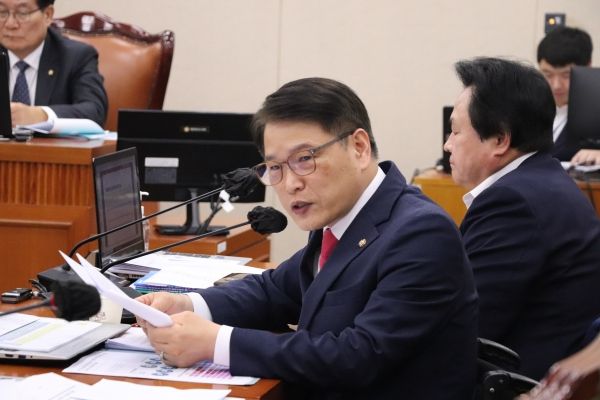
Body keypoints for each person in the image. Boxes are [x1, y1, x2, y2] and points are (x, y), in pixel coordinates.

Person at [137, 77, 479, 399]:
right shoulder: (343, 218)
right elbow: (275, 291)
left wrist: (218, 343)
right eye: (275, 167)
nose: (290, 184)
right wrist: (190, 304)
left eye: (304, 160)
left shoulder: (420, 233)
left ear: (359, 147)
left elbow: (359, 356)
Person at [443, 57, 600, 380]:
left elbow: (463, 322)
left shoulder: (513, 203)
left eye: (455, 131)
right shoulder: (543, 180)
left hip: (519, 384)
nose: (447, 145)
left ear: (500, 140)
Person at [0, 0, 107, 127]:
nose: (10, 24)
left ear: (47, 15)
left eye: (22, 13)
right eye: (2, 12)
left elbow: (94, 110)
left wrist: (41, 115)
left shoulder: (75, 56)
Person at [537, 26, 599, 164]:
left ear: (588, 67)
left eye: (567, 75)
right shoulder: (530, 109)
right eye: (548, 74)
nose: (556, 85)